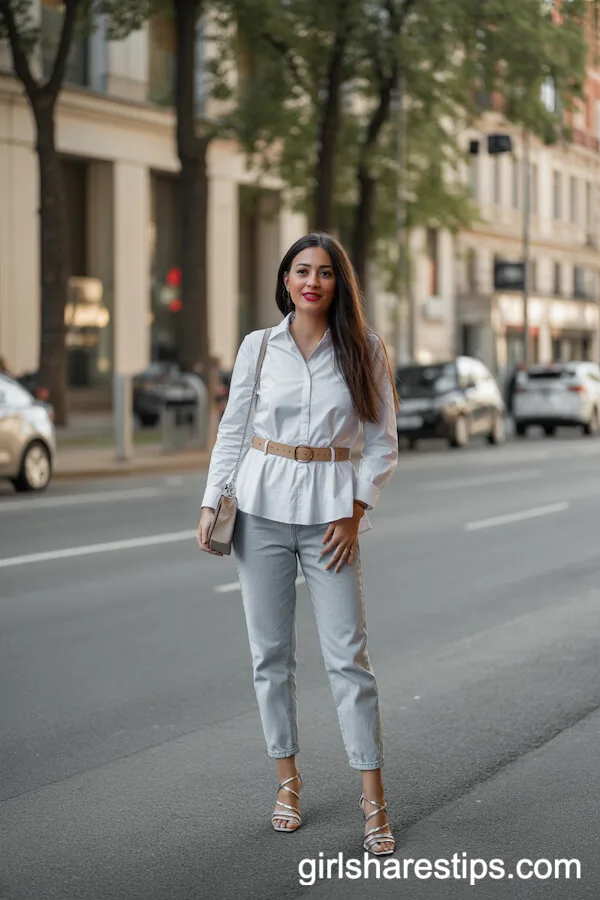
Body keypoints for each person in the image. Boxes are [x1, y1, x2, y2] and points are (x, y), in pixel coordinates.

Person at [197, 233, 400, 855]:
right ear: (285, 280)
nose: (312, 281)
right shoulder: (258, 349)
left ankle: (374, 800)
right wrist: (211, 500)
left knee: (348, 659)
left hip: (330, 518)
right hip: (258, 511)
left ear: (340, 283)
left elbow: (383, 440)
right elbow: (233, 432)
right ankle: (287, 783)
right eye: (301, 270)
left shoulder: (364, 349)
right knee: (271, 656)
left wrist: (355, 509)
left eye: (325, 272)